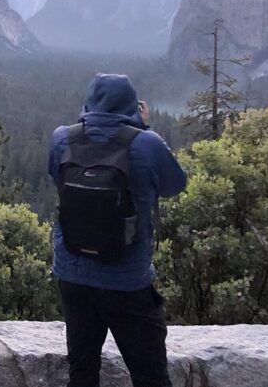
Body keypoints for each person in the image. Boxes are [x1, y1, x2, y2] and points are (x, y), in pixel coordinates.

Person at [48, 74, 187, 387]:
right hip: (126, 280)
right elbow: (175, 184)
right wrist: (142, 126)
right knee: (150, 375)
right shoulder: (147, 143)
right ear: (132, 106)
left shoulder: (61, 137)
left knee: (82, 371)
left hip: (73, 274)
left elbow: (56, 176)